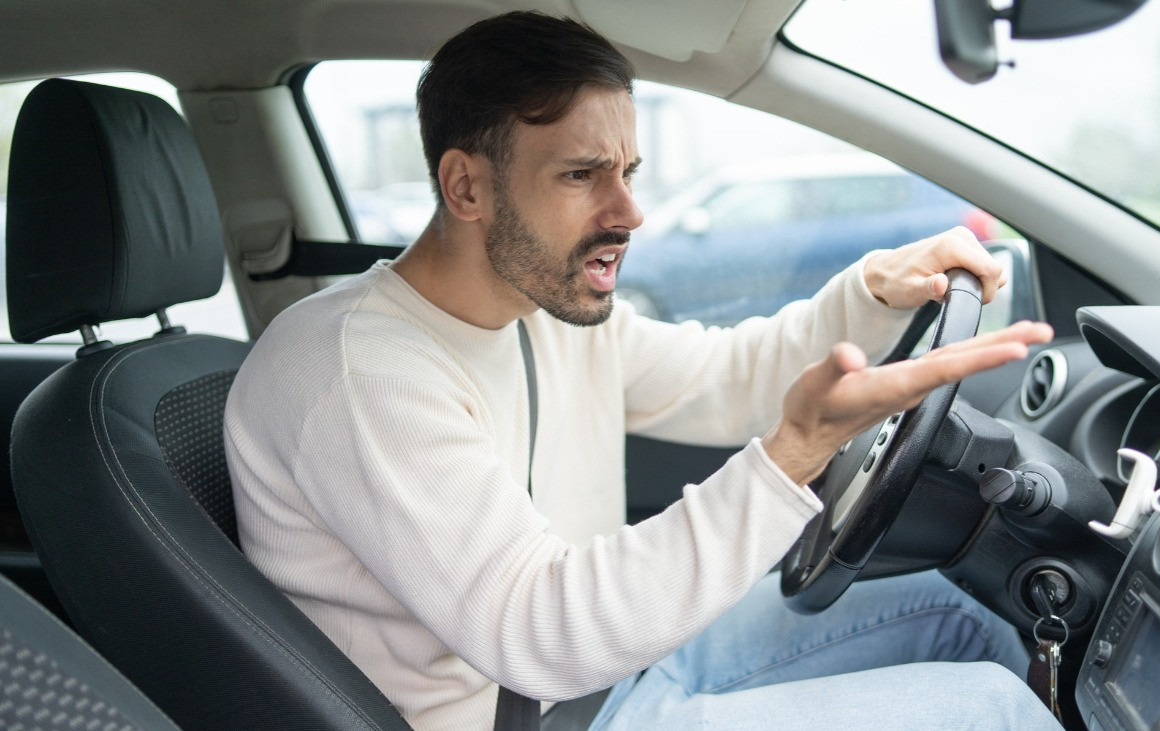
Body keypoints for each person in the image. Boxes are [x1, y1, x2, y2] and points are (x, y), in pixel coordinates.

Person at [224, 10, 1059, 730]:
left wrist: (873, 291)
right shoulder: (359, 373)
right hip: (540, 709)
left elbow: (728, 375)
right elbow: (542, 630)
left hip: (609, 675)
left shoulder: (542, 307)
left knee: (957, 614)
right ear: (466, 186)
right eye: (582, 175)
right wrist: (795, 452)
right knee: (990, 706)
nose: (628, 213)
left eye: (626, 173)